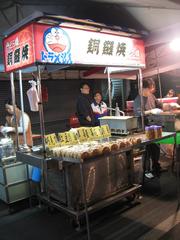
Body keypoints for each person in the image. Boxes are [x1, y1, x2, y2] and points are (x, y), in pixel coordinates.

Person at [134, 78, 162, 178]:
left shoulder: (152, 96)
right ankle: (146, 171)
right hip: (144, 128)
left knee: (156, 147)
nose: (151, 90)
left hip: (154, 126)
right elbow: (138, 113)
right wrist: (150, 111)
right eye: (150, 88)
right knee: (147, 151)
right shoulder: (138, 99)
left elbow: (159, 105)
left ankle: (156, 166)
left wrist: (167, 106)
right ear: (144, 88)